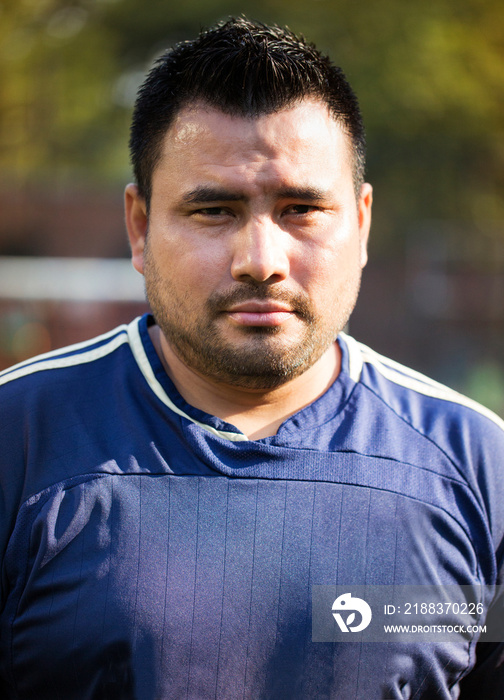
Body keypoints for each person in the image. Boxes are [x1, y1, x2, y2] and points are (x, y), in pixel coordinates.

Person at [0, 17, 503, 699]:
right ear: (140, 227)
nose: (261, 261)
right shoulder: (19, 440)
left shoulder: (478, 467)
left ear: (360, 223)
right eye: (214, 211)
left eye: (300, 208)